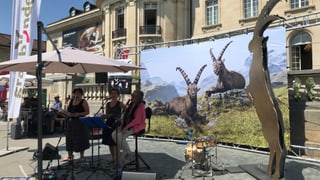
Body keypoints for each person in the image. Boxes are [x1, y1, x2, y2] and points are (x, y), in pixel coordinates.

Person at [112, 90, 146, 167]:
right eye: (132, 95)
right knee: (114, 134)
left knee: (120, 136)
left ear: (139, 97)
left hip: (137, 126)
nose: (132, 97)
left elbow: (136, 120)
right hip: (129, 125)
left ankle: (129, 155)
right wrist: (122, 125)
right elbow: (126, 116)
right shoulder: (131, 104)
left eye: (134, 96)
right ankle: (128, 154)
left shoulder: (140, 106)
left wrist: (126, 127)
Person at [60, 88, 90, 162]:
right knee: (69, 138)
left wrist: (79, 114)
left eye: (78, 93)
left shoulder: (83, 101)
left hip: (80, 122)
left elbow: (87, 112)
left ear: (81, 94)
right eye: (75, 93)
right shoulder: (71, 101)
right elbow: (69, 112)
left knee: (80, 139)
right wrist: (64, 113)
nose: (77, 94)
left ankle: (81, 156)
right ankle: (69, 155)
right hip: (71, 122)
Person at [101, 88, 125, 167]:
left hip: (116, 124)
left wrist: (121, 119)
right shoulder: (108, 104)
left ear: (118, 95)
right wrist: (104, 116)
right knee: (110, 143)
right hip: (109, 123)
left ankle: (117, 160)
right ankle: (113, 158)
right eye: (112, 93)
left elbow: (127, 111)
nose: (113, 95)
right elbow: (108, 114)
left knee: (115, 143)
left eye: (115, 93)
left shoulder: (120, 103)